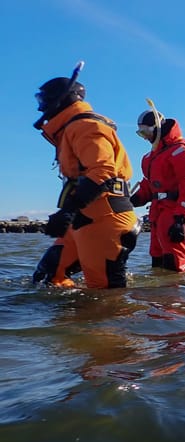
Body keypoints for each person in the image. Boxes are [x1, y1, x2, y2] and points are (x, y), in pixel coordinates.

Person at [33, 75, 140, 288]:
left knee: (104, 293)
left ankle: (114, 319)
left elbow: (103, 171)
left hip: (105, 219)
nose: (40, 108)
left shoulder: (85, 126)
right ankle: (72, 319)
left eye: (43, 101)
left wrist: (67, 211)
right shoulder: (73, 128)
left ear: (61, 100)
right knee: (51, 274)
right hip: (84, 218)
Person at [130, 107, 185, 272]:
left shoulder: (182, 150)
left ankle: (178, 295)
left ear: (157, 127)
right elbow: (149, 185)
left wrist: (182, 219)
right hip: (157, 213)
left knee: (174, 260)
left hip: (175, 213)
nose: (145, 138)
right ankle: (159, 297)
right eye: (141, 134)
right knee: (157, 260)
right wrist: (132, 200)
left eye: (146, 133)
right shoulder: (150, 158)